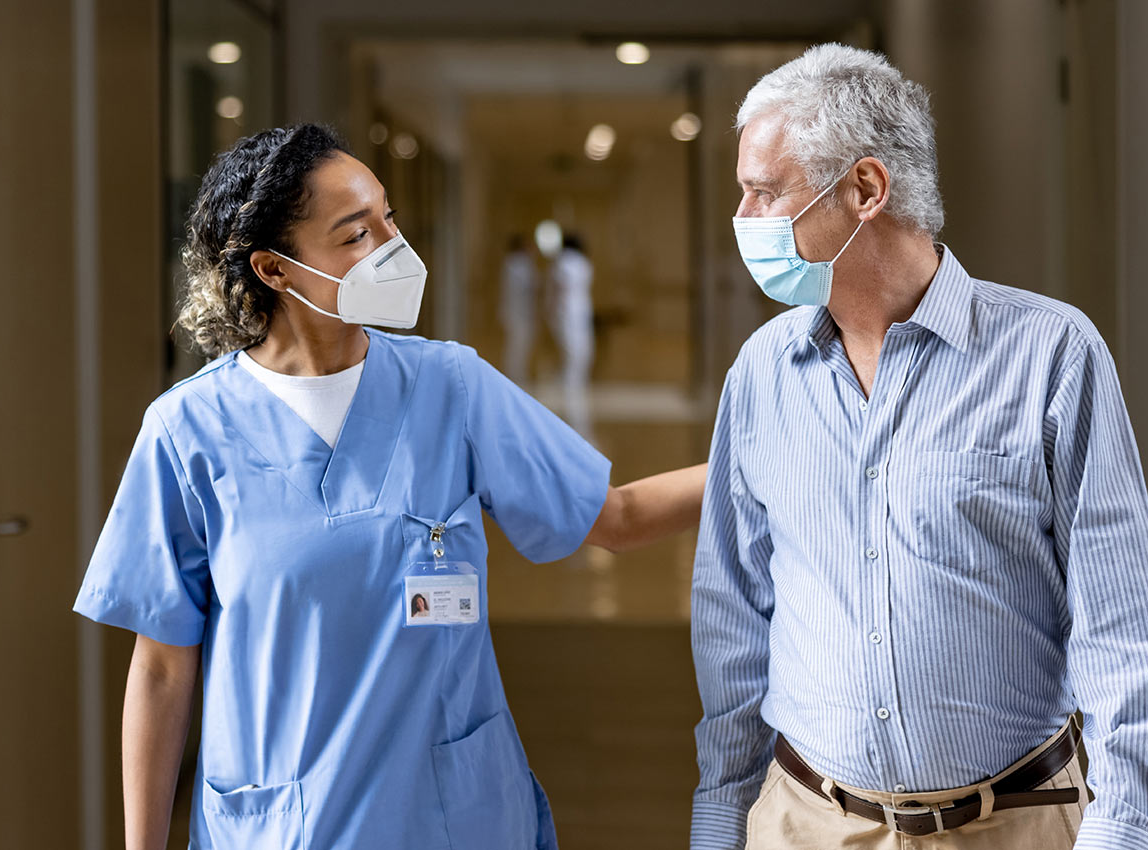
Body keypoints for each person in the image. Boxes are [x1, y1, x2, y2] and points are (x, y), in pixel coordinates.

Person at [73, 124, 708, 850]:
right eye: (354, 236)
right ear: (274, 271)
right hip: (284, 824)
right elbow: (159, 666)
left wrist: (770, 455)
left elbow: (617, 517)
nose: (391, 248)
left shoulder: (450, 386)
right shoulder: (188, 430)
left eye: (387, 219)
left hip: (451, 815)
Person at [691, 45, 1148, 850]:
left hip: (1015, 823)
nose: (744, 221)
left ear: (863, 189)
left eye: (762, 192)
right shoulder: (761, 374)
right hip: (803, 822)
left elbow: (1126, 639)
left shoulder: (1050, 357)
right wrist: (719, 820)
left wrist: (1121, 833)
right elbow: (733, 620)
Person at [551, 234, 594, 439]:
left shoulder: (564, 262)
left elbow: (559, 289)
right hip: (574, 311)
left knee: (574, 351)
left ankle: (573, 385)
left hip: (570, 311)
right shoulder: (576, 263)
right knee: (578, 350)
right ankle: (572, 387)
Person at [500, 233, 540, 382]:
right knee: (516, 345)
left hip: (522, 311)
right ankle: (514, 375)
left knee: (521, 345)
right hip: (517, 312)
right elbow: (529, 286)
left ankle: (518, 373)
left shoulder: (520, 264)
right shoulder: (516, 264)